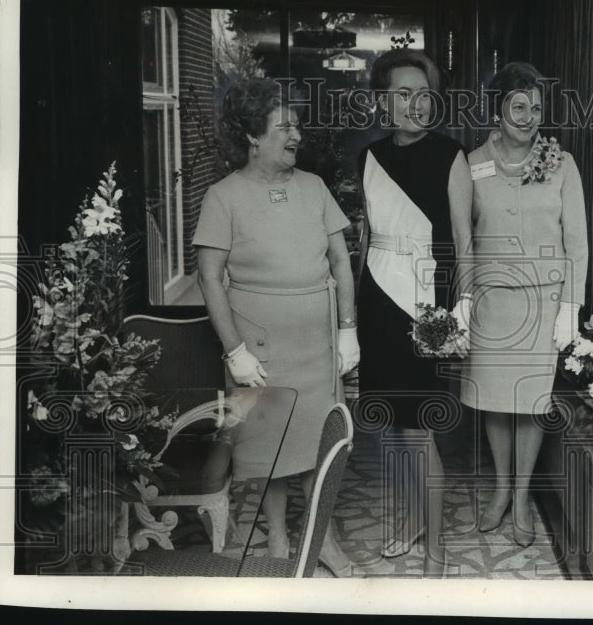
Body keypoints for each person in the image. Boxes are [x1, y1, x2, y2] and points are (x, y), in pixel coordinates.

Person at [193, 77, 360, 574]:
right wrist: (233, 351)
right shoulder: (223, 197)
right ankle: (280, 538)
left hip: (317, 345)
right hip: (259, 349)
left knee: (320, 441)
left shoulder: (313, 187)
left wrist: (348, 330)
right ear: (252, 136)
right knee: (271, 445)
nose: (296, 136)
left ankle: (322, 537)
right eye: (283, 126)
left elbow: (341, 261)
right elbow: (208, 278)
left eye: (297, 125)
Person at [460, 62, 588, 547]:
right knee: (495, 401)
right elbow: (464, 237)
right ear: (499, 108)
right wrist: (464, 298)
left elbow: (577, 241)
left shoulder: (562, 163)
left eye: (536, 107)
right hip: (493, 301)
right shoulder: (472, 163)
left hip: (543, 304)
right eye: (519, 106)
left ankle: (520, 497)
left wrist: (570, 308)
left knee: (531, 404)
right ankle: (498, 490)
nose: (530, 116)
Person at [356, 49, 472, 577]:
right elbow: (363, 237)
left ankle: (437, 544)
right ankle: (410, 522)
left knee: (419, 427)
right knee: (392, 428)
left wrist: (463, 309)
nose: (415, 104)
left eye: (423, 94)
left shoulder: (452, 155)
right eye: (403, 94)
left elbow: (465, 242)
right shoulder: (369, 156)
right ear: (383, 101)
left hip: (427, 302)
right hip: (377, 299)